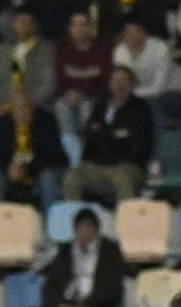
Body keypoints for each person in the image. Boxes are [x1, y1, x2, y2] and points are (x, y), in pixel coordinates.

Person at [28, 208, 127, 307]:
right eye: (80, 228)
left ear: (96, 230)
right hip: (65, 306)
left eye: (89, 227)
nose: (84, 232)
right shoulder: (65, 251)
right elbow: (49, 286)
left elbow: (111, 287)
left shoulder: (109, 250)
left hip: (94, 306)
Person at [64, 67, 154, 205]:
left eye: (123, 81)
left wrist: (104, 134)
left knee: (123, 180)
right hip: (97, 164)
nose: (118, 84)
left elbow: (138, 144)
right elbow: (90, 137)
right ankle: (79, 221)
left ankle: (125, 223)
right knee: (72, 177)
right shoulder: (100, 106)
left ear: (132, 85)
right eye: (115, 80)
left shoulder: (141, 109)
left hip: (126, 165)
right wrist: (115, 135)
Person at [0, 89, 68, 208]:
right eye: (16, 109)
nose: (21, 113)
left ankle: (48, 220)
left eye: (24, 108)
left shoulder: (46, 121)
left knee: (48, 178)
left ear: (32, 108)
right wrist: (8, 169)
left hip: (42, 169)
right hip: (15, 172)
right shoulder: (4, 124)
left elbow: (54, 156)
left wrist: (26, 167)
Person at [0, 9, 58, 112]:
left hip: (35, 107)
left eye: (29, 23)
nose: (25, 26)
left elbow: (48, 84)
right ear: (13, 24)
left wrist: (27, 100)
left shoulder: (46, 51)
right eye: (21, 22)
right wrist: (0, 103)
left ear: (35, 26)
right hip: (3, 106)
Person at [54, 9, 116, 125]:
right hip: (68, 96)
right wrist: (68, 93)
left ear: (91, 27)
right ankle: (70, 142)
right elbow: (59, 78)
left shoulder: (103, 49)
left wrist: (84, 94)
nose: (78, 28)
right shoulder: (62, 49)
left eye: (83, 24)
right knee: (61, 107)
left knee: (87, 109)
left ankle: (88, 141)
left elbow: (106, 79)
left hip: (94, 97)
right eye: (74, 24)